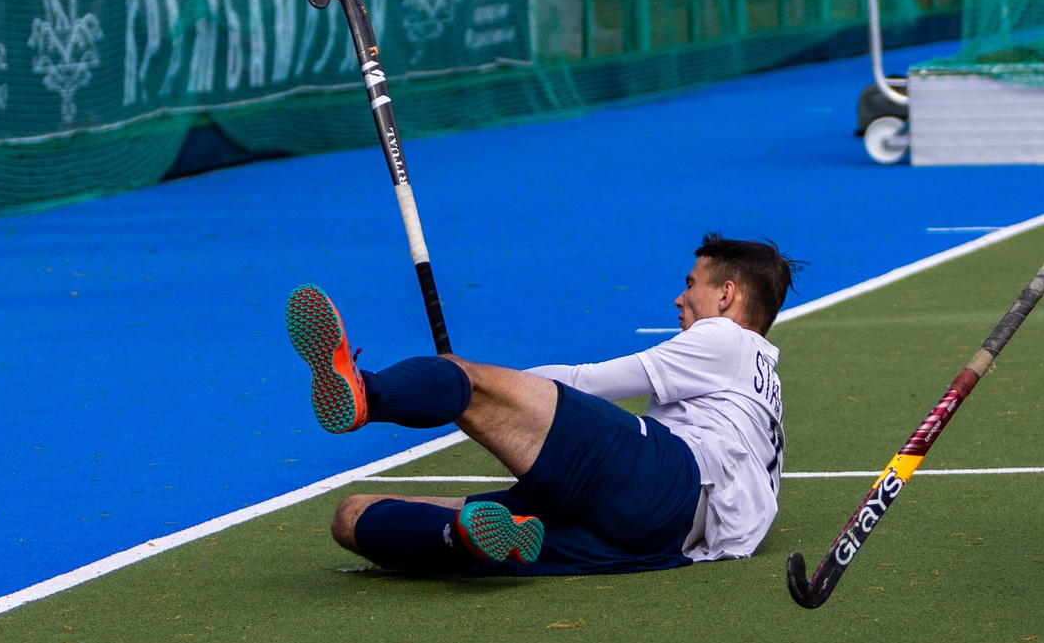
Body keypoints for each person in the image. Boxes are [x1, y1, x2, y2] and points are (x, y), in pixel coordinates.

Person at [294, 235, 791, 576]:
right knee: (352, 515)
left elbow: (589, 383)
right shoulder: (763, 383)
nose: (679, 299)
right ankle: (459, 536)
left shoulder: (726, 338)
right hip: (665, 541)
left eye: (691, 283)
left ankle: (366, 393)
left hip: (668, 484)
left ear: (726, 295)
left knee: (471, 385)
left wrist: (482, 379)